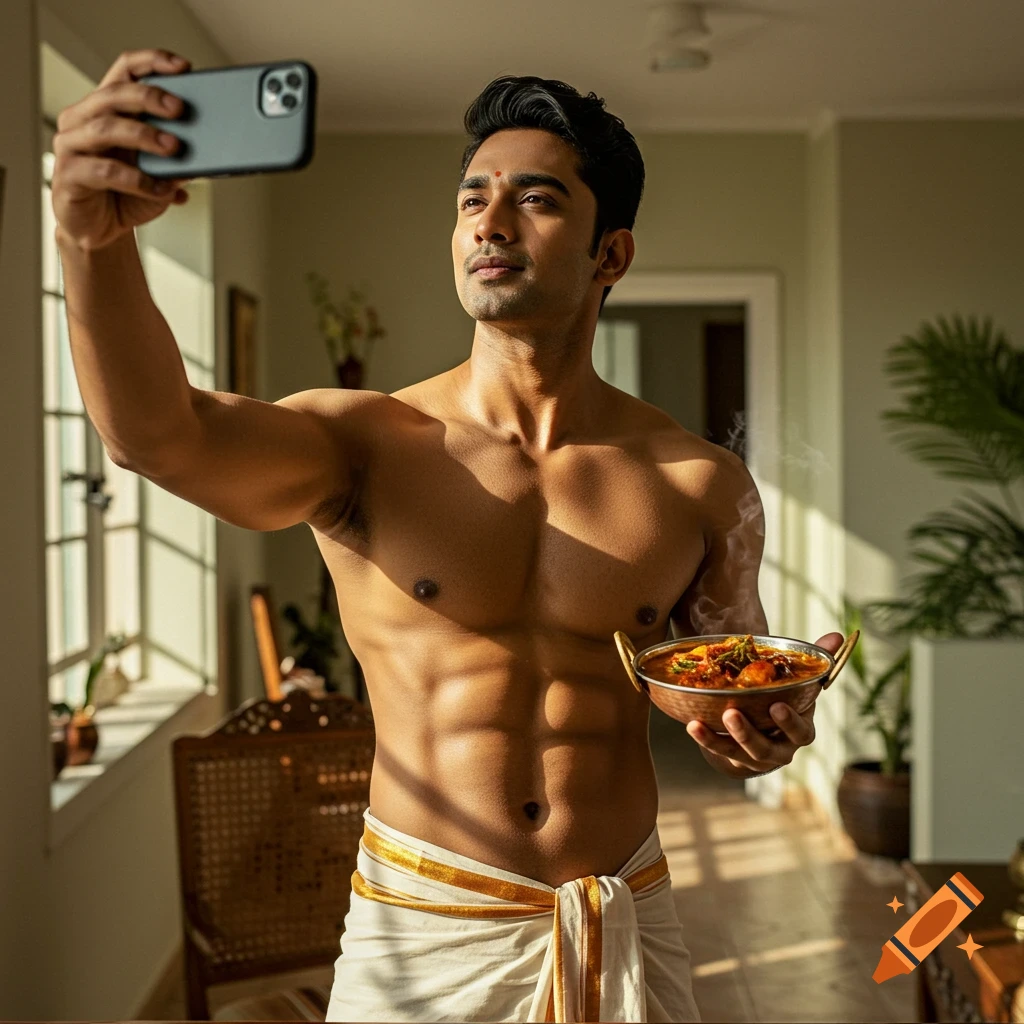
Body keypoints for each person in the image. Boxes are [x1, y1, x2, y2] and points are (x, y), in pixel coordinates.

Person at [51, 48, 844, 1023]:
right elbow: (157, 436)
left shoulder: (700, 486)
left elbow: (724, 696)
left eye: (538, 199)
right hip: (426, 926)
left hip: (622, 911)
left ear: (611, 255)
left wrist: (761, 735)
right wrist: (89, 236)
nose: (490, 221)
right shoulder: (362, 446)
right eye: (472, 198)